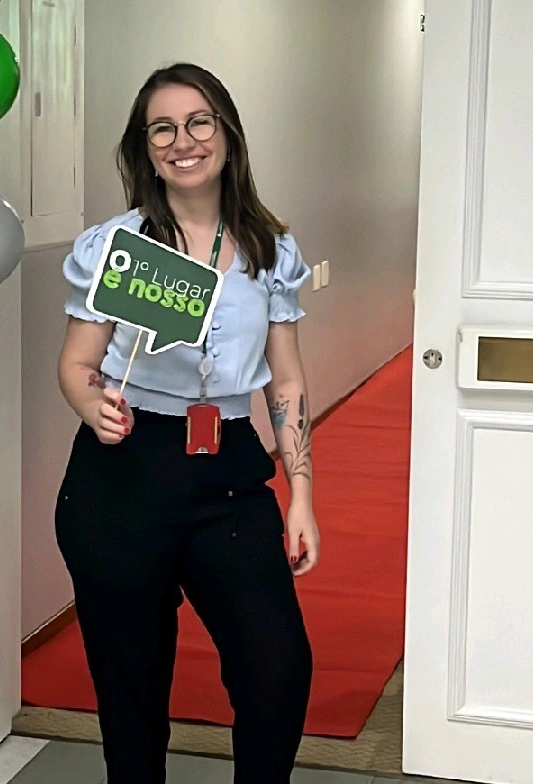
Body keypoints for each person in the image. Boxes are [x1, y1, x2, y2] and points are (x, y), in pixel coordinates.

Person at [55, 62, 319, 784]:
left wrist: (300, 496)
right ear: (145, 148)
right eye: (162, 128)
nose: (183, 140)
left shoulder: (270, 250)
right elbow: (77, 365)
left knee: (278, 669)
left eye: (199, 121)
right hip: (124, 470)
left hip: (229, 470)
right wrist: (91, 402)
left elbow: (287, 379)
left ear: (227, 133)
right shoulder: (117, 248)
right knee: (131, 688)